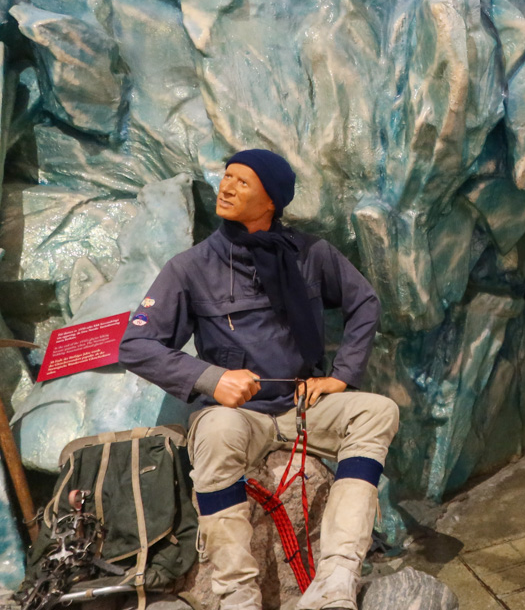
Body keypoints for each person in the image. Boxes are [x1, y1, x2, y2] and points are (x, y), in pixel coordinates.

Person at [120, 149, 400, 610]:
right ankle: (237, 594)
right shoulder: (190, 267)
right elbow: (136, 345)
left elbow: (364, 302)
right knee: (213, 433)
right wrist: (211, 378)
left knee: (377, 411)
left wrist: (341, 377)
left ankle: (335, 579)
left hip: (301, 404)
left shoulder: (311, 254)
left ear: (270, 200)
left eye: (241, 181)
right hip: (240, 415)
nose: (225, 187)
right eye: (225, 176)